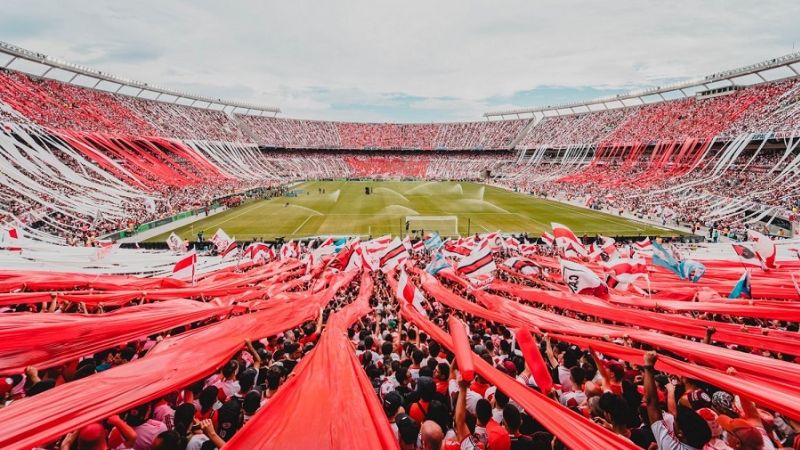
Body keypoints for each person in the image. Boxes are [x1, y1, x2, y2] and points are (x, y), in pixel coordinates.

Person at [643, 351, 711, 450]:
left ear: (680, 433)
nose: (673, 421)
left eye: (675, 422)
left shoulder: (671, 447)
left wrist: (648, 366)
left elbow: (651, 403)